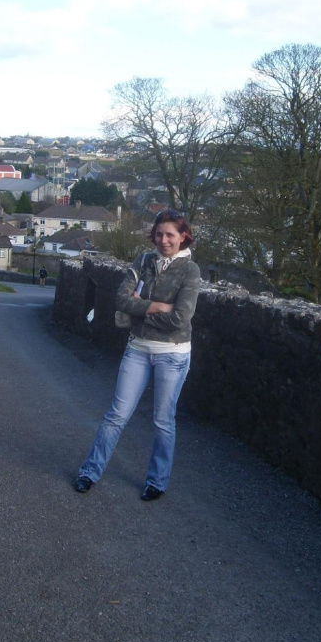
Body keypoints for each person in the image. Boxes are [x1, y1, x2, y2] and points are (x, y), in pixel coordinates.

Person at [75, 210, 201, 501]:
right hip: (137, 350)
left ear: (183, 236)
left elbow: (181, 319)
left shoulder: (190, 271)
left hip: (173, 354)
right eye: (159, 234)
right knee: (116, 415)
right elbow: (120, 300)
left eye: (170, 235)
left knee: (162, 420)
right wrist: (157, 307)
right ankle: (90, 472)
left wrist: (141, 308)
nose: (164, 240)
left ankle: (156, 481)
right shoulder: (143, 261)